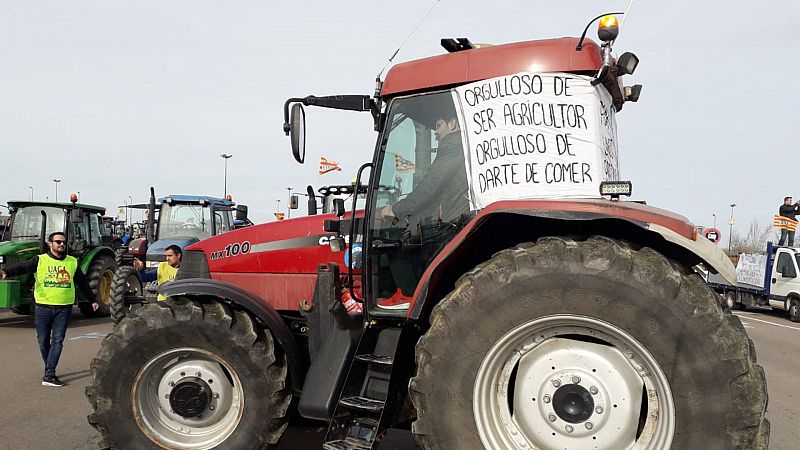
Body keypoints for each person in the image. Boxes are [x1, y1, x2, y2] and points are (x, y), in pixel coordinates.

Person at [376, 112, 469, 309]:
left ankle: (408, 293)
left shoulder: (452, 149)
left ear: (453, 124)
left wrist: (394, 209)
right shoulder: (461, 148)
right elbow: (435, 193)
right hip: (455, 220)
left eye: (439, 124)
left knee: (390, 240)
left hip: (453, 224)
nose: (436, 132)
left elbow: (428, 189)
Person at [0, 232, 99, 387]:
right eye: (58, 242)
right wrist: (6, 272)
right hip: (42, 307)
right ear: (50, 244)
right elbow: (22, 268)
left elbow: (82, 282)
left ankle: (49, 374)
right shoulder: (40, 260)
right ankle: (49, 367)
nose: (61, 244)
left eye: (63, 242)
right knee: (43, 341)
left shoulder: (72, 262)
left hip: (64, 308)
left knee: (58, 341)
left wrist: (92, 299)